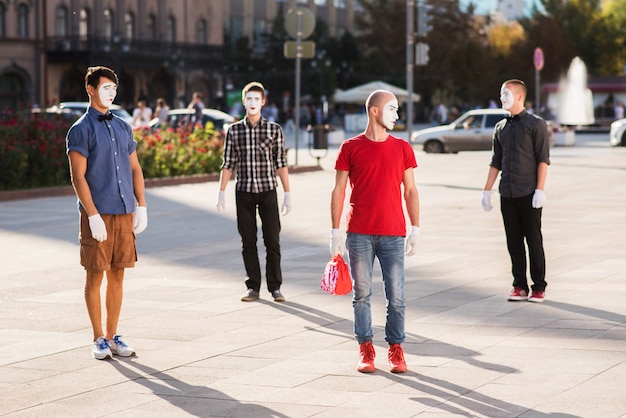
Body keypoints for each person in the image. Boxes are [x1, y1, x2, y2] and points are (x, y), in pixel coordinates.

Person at [330, 89, 420, 374]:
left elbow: (411, 190)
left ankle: (396, 348)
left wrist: (415, 227)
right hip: (358, 233)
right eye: (392, 109)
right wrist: (334, 232)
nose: (397, 114)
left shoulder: (402, 148)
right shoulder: (350, 147)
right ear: (375, 111)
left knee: (397, 295)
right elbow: (339, 189)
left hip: (393, 232)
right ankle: (365, 348)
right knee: (362, 294)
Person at [66, 66, 148, 360]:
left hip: (124, 212)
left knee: (118, 276)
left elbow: (135, 169)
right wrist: (92, 215)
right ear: (90, 89)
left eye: (114, 88)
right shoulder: (80, 129)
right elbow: (78, 177)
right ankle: (98, 337)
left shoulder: (124, 127)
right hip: (97, 215)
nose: (111, 93)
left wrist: (142, 205)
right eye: (105, 88)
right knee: (95, 276)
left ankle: (114, 336)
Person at [216, 81, 292, 302]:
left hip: (268, 190)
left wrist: (288, 193)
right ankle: (253, 286)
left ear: (263, 102)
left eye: (256, 99)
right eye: (249, 99)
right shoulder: (234, 131)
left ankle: (275, 287)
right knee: (248, 241)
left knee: (272, 241)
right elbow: (228, 163)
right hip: (244, 192)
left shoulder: (273, 129)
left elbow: (281, 163)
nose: (252, 103)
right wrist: (221, 192)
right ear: (243, 101)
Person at [482, 79, 550, 303]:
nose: (502, 98)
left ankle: (538, 286)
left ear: (520, 97)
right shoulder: (500, 127)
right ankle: (519, 285)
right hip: (507, 193)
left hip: (529, 194)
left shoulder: (536, 125)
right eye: (501, 94)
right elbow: (495, 161)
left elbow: (543, 159)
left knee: (533, 240)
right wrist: (487, 190)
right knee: (513, 242)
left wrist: (540, 189)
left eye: (507, 94)